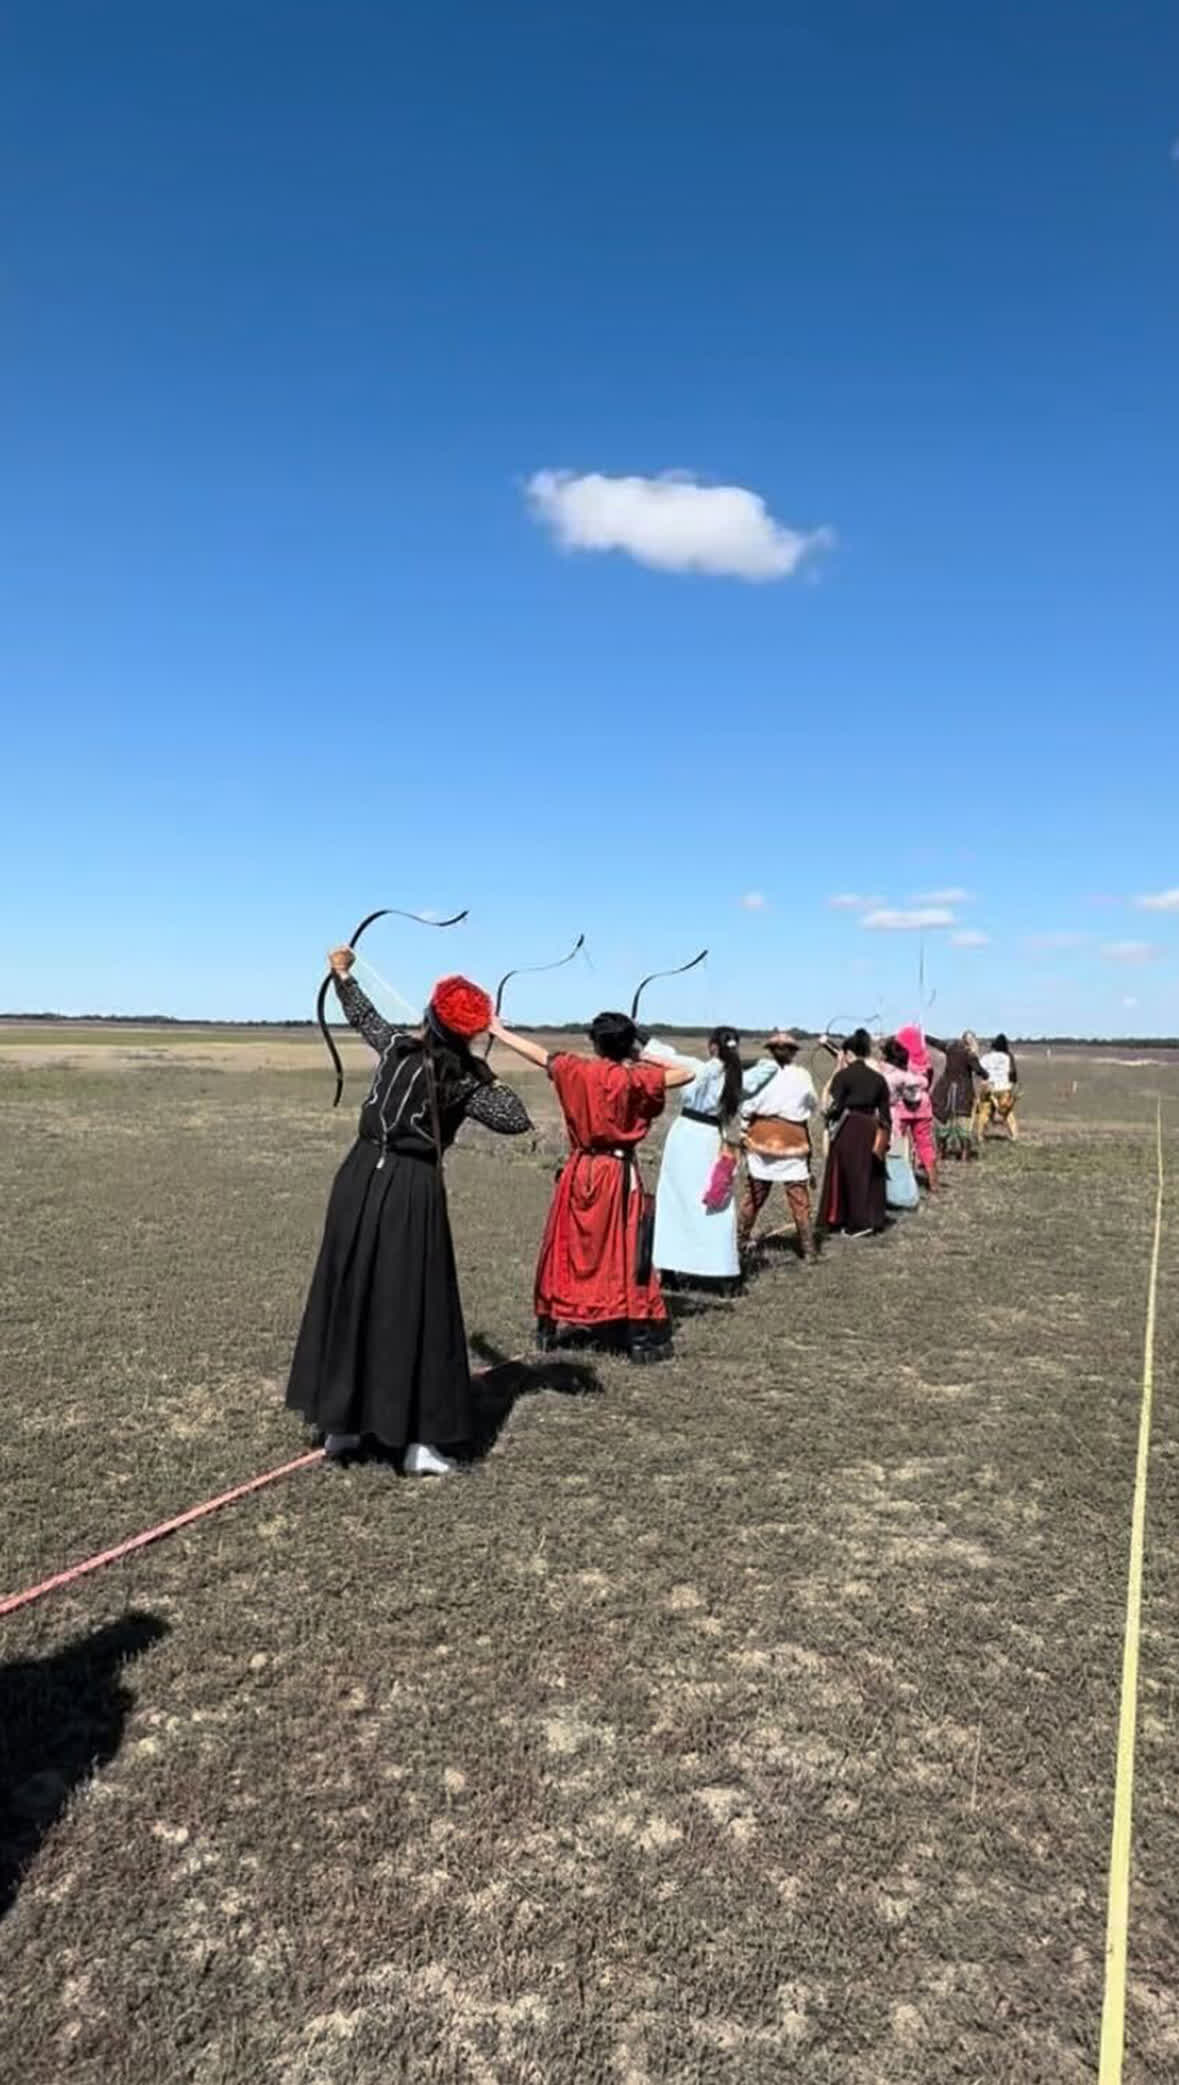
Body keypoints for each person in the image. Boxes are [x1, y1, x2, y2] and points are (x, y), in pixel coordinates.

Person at [286, 950, 531, 1474]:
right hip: (410, 1188)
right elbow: (515, 1116)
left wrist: (343, 975)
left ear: (430, 1014)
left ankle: (343, 1427)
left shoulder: (398, 1046)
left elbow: (365, 1016)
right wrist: (486, 1056)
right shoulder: (462, 1077)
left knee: (356, 1292)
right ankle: (410, 1441)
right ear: (468, 1032)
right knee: (414, 1304)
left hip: (360, 1178)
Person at [488, 1010, 696, 1361]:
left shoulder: (575, 1069)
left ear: (596, 1043)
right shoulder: (635, 1077)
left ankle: (547, 1328)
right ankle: (639, 1337)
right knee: (626, 1248)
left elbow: (539, 1055)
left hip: (580, 1168)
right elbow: (687, 1072)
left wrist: (498, 1031)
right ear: (627, 1044)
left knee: (565, 1245)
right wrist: (639, 1054)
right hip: (615, 1172)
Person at [643, 1026, 750, 1288]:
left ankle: (670, 1270)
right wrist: (733, 1062)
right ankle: (724, 1275)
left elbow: (662, 1055)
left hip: (685, 1138)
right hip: (710, 1139)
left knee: (675, 1202)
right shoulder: (738, 1078)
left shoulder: (697, 1067)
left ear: (712, 1046)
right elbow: (768, 1067)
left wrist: (638, 1034)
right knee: (714, 1202)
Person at [736, 1030, 820, 1261]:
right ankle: (808, 1249)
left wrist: (743, 1133)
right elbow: (812, 1104)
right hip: (793, 1139)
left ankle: (739, 1242)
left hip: (761, 1139)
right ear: (793, 1053)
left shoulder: (758, 1073)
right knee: (798, 1197)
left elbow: (747, 1107)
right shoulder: (802, 1075)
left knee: (754, 1195)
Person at [817, 1028, 891, 1237]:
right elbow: (885, 1114)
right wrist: (885, 1137)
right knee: (869, 1174)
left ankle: (855, 1222)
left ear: (848, 1053)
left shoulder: (843, 1076)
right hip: (872, 1127)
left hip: (849, 1128)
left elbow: (833, 1107)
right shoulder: (878, 1079)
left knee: (849, 1175)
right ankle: (872, 1218)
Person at [893, 1024, 939, 1190]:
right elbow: (929, 1079)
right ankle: (933, 1182)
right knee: (925, 1144)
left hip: (901, 1105)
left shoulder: (899, 1058)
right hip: (923, 1104)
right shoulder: (924, 1058)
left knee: (898, 1142)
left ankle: (901, 1180)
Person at [928, 1030, 986, 1160]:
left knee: (943, 1122)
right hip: (963, 1092)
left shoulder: (950, 1047)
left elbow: (935, 1042)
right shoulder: (970, 1055)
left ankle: (941, 1153)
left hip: (945, 1090)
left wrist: (923, 1036)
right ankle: (964, 1155)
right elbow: (979, 1070)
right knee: (963, 1125)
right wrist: (986, 1074)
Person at [976, 1031, 1020, 1140]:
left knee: (984, 1111)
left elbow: (979, 1070)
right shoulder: (1007, 1057)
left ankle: (980, 1135)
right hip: (1004, 1087)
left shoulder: (986, 1057)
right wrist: (1013, 1084)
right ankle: (1014, 1135)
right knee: (1007, 1112)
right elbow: (1012, 1072)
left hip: (989, 1087)